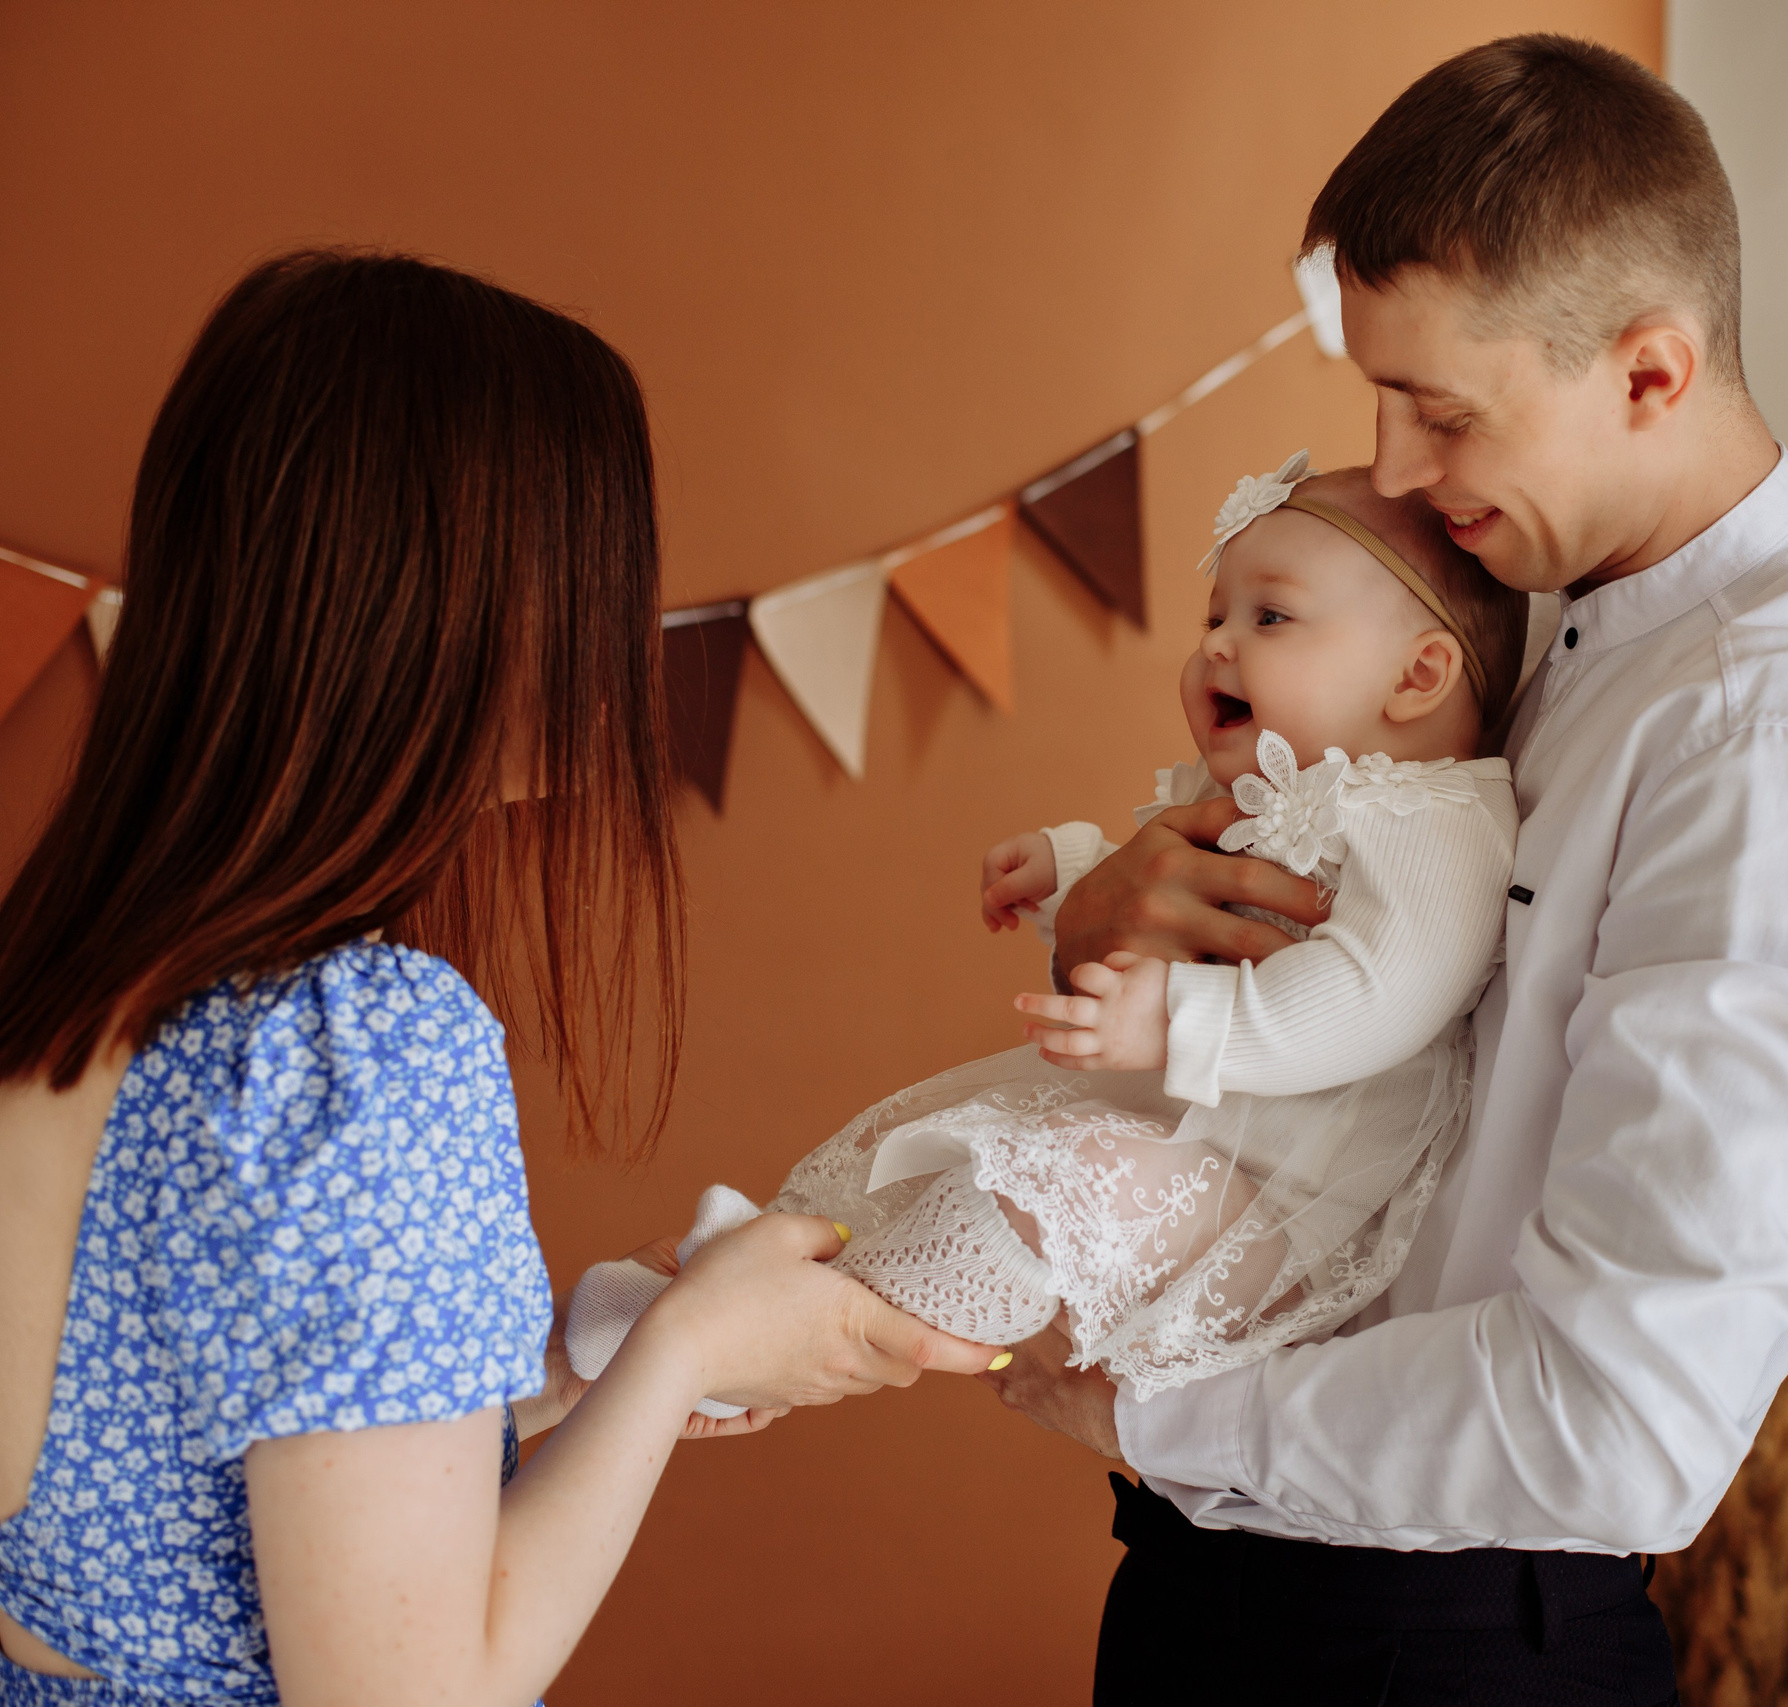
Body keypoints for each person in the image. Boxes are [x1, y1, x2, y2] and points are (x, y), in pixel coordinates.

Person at [980, 35, 1788, 1706]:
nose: (1390, 468)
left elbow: (1618, 1415)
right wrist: (1129, 908)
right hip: (1248, 1592)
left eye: (1440, 411)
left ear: (1651, 374)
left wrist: (1164, 1421)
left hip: (1431, 1642)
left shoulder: (1783, 751)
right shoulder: (1550, 621)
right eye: (1384, 398)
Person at [0, 250, 999, 1705]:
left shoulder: (59, 981)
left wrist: (580, 1358)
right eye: (598, 569)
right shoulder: (346, 1044)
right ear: (458, 604)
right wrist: (684, 1350)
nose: (625, 631)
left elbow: (193, 1470)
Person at [563, 460, 1533, 1408]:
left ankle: (771, 1330)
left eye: (1268, 617)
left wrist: (1179, 1022)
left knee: (1067, 1178)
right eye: (1214, 619)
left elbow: (1383, 993)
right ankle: (735, 1278)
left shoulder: (1434, 821)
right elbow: (1188, 900)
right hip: (1193, 1151)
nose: (1217, 650)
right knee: (969, 1155)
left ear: (1418, 674)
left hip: (1291, 1207)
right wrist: (1073, 878)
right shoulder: (1264, 790)